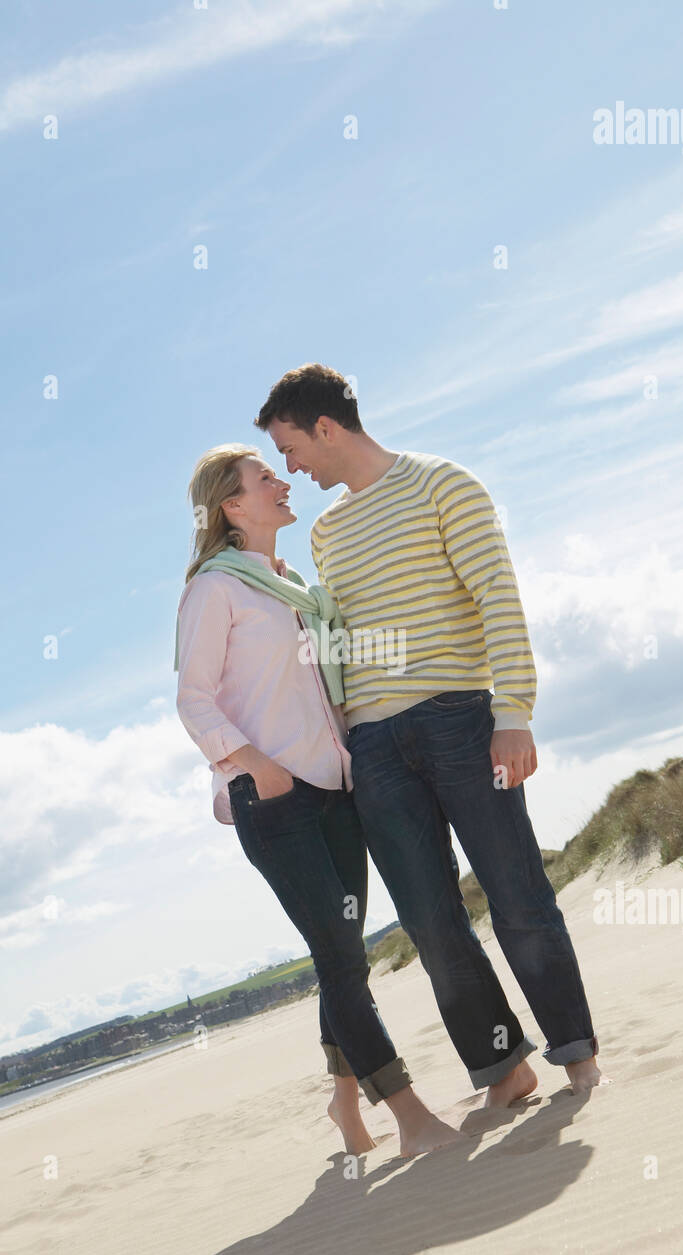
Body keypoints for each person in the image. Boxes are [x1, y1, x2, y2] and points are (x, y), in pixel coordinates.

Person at [254, 363, 608, 1103]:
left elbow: (498, 599)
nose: (290, 468)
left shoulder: (444, 483)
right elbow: (356, 643)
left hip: (461, 721)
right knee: (428, 920)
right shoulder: (327, 532)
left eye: (290, 448)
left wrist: (513, 713)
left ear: (325, 427)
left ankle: (576, 1054)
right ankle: (503, 1069)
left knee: (517, 894)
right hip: (376, 748)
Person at [174, 443, 463, 1156]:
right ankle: (410, 1115)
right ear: (231, 507)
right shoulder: (215, 590)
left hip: (333, 789)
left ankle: (344, 1104)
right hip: (272, 798)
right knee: (337, 958)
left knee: (348, 960)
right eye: (263, 478)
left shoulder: (292, 585)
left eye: (277, 474)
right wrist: (256, 765)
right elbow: (192, 699)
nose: (281, 482)